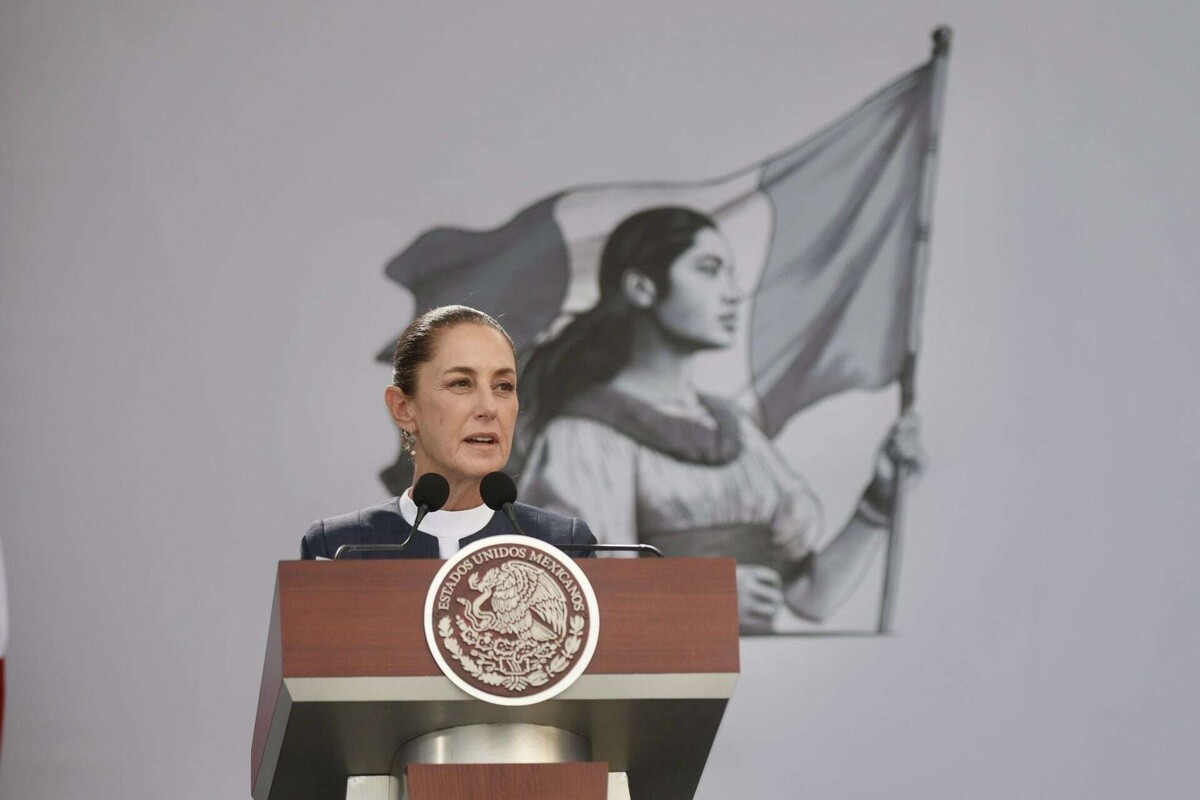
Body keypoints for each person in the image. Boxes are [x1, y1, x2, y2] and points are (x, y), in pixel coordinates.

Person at [516, 207, 922, 632]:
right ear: (641, 287)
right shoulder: (583, 437)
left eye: (730, 273)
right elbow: (572, 606)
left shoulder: (737, 429)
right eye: (708, 270)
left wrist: (880, 498)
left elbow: (810, 597)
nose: (732, 293)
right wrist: (705, 600)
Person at [301, 305, 597, 560]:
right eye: (461, 383)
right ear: (402, 408)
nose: (489, 408)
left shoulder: (562, 545)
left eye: (503, 386)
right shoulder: (341, 547)